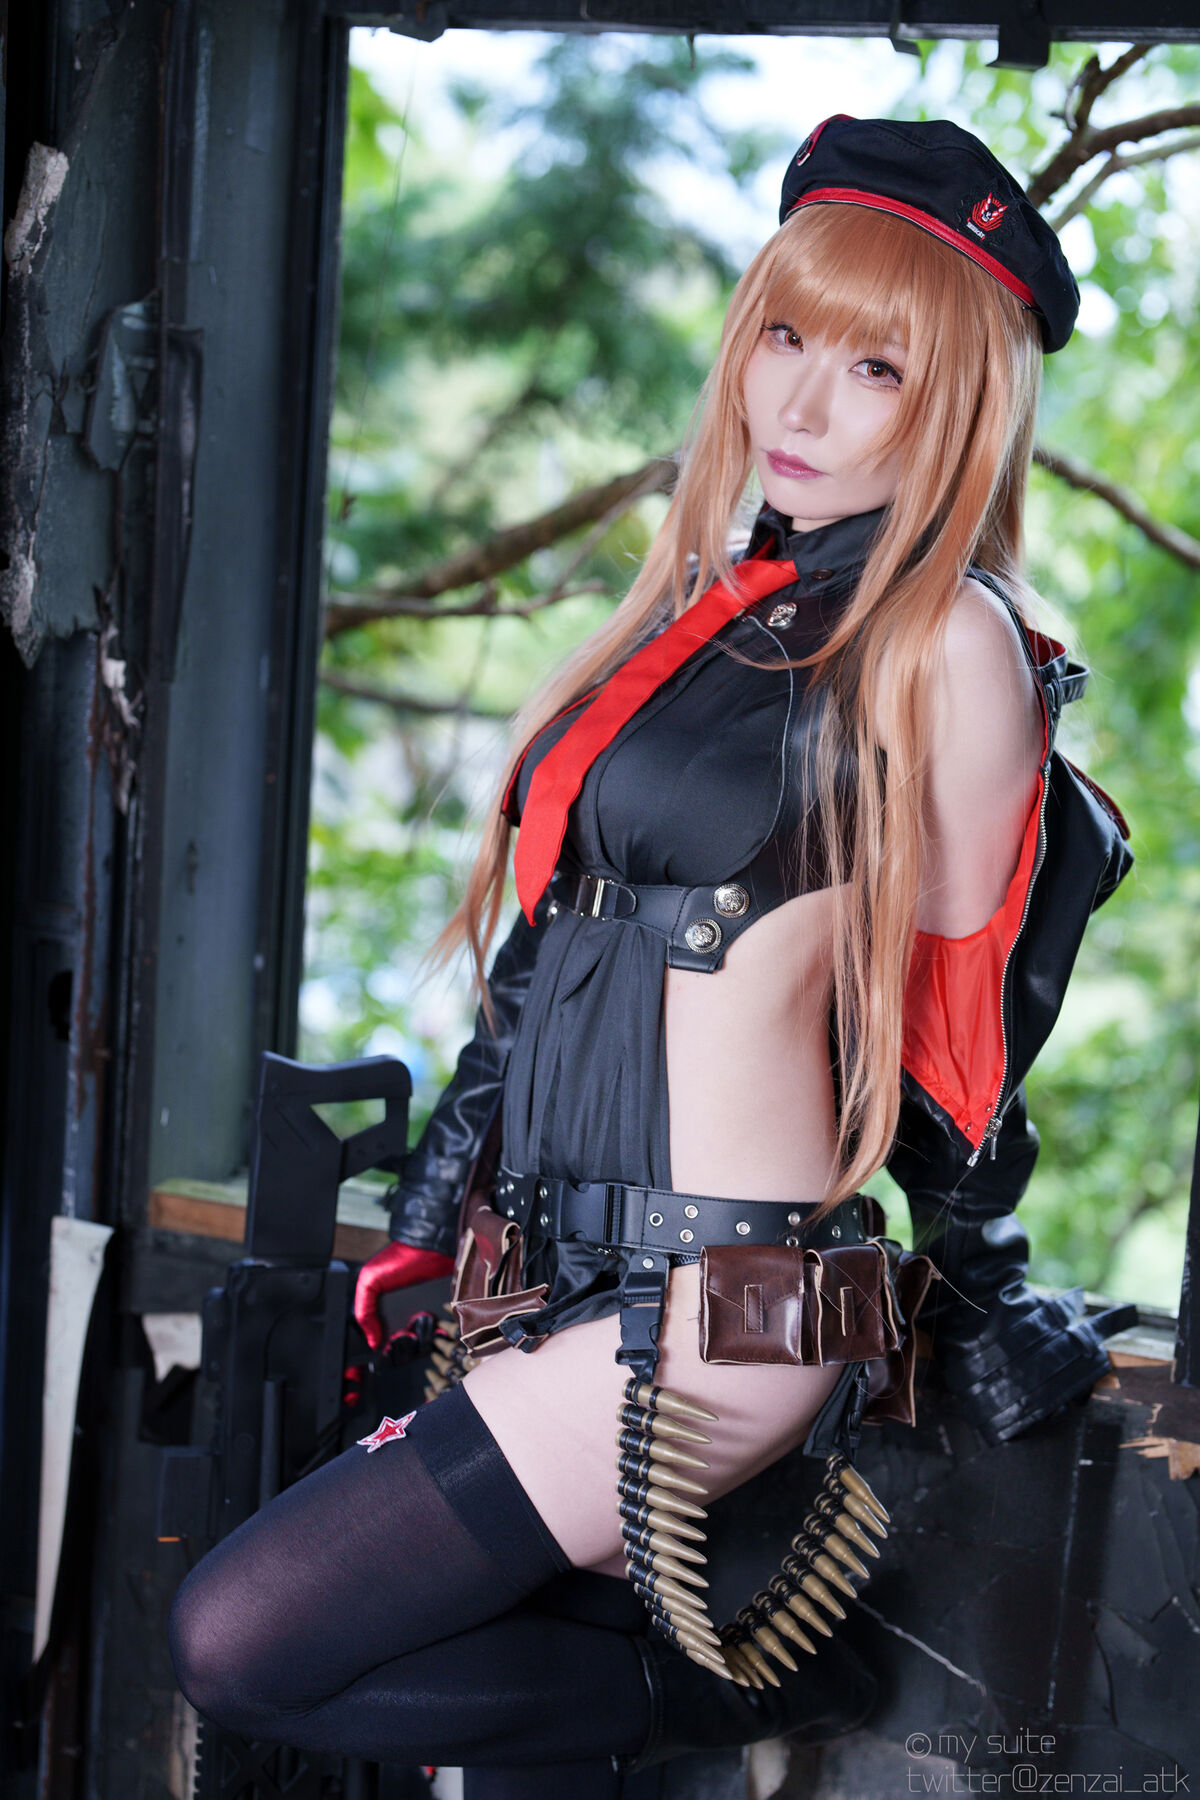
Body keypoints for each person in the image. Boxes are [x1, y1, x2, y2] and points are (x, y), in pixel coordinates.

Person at [168, 116, 1133, 1790]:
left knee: (239, 1640)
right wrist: (431, 1217)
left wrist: (977, 1276)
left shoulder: (951, 645)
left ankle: (751, 1685)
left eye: (876, 370)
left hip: (729, 1310)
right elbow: (542, 948)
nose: (799, 407)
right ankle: (679, 1694)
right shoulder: (718, 606)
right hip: (556, 1284)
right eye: (784, 338)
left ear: (963, 402)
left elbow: (965, 1020)